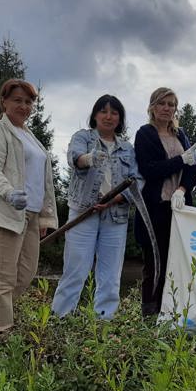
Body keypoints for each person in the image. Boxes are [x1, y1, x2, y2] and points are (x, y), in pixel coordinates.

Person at [0, 78, 60, 339]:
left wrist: (45, 217)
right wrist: (9, 192)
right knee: (2, 276)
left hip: (32, 216)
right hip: (7, 213)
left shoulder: (31, 137)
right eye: (17, 100)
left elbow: (43, 180)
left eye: (28, 101)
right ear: (4, 102)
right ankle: (1, 332)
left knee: (24, 275)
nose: (24, 106)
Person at [51, 95, 141, 320]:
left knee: (110, 275)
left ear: (120, 118)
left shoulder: (127, 148)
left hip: (116, 216)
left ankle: (103, 322)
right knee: (76, 269)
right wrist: (89, 158)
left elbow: (137, 181)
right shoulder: (82, 137)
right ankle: (60, 319)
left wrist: (117, 199)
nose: (109, 116)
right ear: (95, 115)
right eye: (104, 111)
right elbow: (75, 158)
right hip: (83, 213)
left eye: (114, 113)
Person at [133, 87, 196, 316]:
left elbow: (192, 168)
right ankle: (150, 315)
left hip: (178, 208)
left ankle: (171, 313)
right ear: (152, 107)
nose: (167, 108)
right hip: (154, 209)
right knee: (154, 264)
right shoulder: (144, 134)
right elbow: (149, 170)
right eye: (162, 103)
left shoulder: (181, 135)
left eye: (171, 104)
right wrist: (180, 159)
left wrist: (182, 189)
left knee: (177, 262)